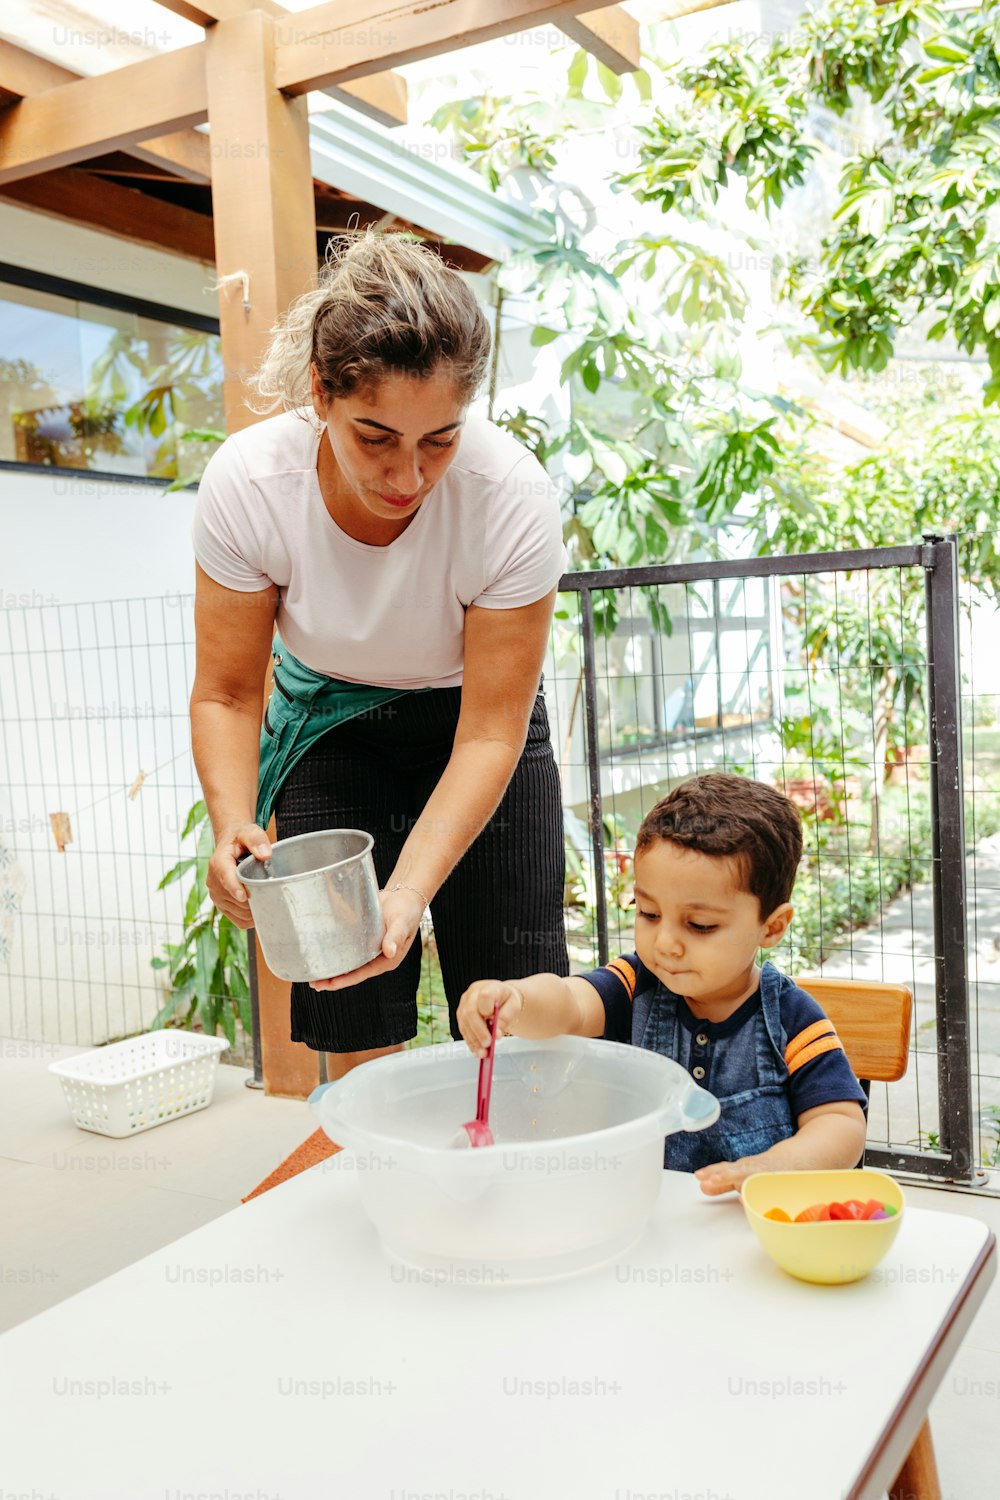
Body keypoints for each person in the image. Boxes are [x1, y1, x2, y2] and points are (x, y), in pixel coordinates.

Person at [190, 232, 570, 1080]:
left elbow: (489, 733)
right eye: (375, 437)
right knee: (349, 988)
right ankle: (381, 1187)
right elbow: (225, 693)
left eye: (440, 439)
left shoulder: (510, 496)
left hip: (473, 727)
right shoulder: (250, 485)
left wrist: (409, 893)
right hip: (334, 724)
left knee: (516, 1002)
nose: (409, 476)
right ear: (321, 394)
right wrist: (231, 822)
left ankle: (518, 1190)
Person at [457, 771, 868, 1195]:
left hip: (750, 1231)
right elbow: (569, 1004)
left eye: (700, 925)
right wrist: (518, 998)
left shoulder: (790, 1020)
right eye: (649, 913)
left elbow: (841, 1124)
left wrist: (775, 1166)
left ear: (772, 926)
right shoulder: (637, 984)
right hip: (646, 1223)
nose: (666, 944)